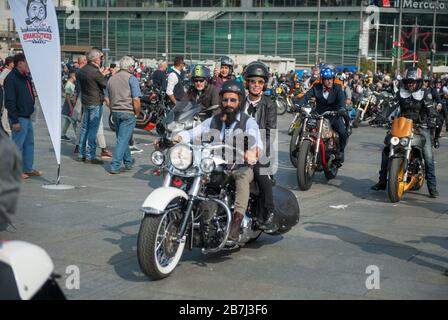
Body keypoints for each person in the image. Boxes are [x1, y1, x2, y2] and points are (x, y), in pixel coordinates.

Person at [174, 80, 263, 245]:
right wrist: (178, 137)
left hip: (239, 165)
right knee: (193, 175)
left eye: (233, 100)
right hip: (215, 165)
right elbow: (194, 132)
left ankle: (236, 222)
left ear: (240, 101)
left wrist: (252, 151)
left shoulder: (247, 121)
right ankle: (198, 220)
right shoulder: (213, 120)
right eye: (225, 100)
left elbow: (256, 141)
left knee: (242, 179)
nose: (228, 104)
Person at [371, 67, 439, 198]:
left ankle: (432, 186)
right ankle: (382, 181)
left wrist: (432, 119)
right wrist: (381, 117)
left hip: (420, 127)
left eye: (413, 82)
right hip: (402, 126)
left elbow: (431, 109)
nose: (410, 84)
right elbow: (390, 106)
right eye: (408, 82)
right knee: (386, 150)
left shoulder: (425, 94)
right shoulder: (401, 93)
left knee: (428, 156)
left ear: (419, 82)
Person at [243, 61, 278, 232]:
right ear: (247, 82)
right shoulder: (240, 101)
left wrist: (258, 151)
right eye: (253, 81)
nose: (256, 85)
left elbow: (270, 132)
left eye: (260, 82)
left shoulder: (269, 104)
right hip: (238, 146)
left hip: (261, 148)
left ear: (264, 84)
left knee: (260, 170)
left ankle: (269, 212)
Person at [295, 65, 349, 165]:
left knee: (342, 132)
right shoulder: (316, 87)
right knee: (305, 124)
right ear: (322, 80)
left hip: (334, 115)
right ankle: (299, 146)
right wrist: (298, 104)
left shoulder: (337, 88)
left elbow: (342, 101)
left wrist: (341, 109)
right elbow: (306, 96)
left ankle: (340, 152)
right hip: (319, 115)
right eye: (326, 79)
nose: (329, 82)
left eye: (331, 79)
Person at [4, 53, 42, 179]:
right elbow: (9, 101)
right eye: (27, 63)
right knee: (17, 145)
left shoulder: (24, 77)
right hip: (18, 117)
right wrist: (14, 120)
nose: (29, 65)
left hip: (26, 116)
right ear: (20, 64)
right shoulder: (11, 79)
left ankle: (27, 168)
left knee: (29, 143)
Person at [104, 56, 142, 174]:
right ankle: (115, 165)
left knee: (122, 137)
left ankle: (128, 162)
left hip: (115, 112)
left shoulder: (112, 78)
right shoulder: (132, 78)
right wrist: (137, 112)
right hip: (128, 112)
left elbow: (106, 98)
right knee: (122, 139)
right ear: (130, 67)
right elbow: (136, 99)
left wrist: (112, 108)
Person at [77, 48, 108, 164]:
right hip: (95, 102)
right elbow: (105, 84)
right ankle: (91, 155)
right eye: (100, 58)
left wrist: (101, 74)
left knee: (85, 127)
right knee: (92, 129)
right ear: (95, 59)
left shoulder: (82, 70)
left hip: (86, 101)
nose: (101, 60)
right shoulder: (95, 72)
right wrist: (104, 75)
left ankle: (81, 153)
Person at [61, 69, 77, 141]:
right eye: (75, 75)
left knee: (68, 121)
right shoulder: (69, 84)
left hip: (70, 105)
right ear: (72, 75)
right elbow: (67, 97)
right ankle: (79, 138)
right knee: (74, 121)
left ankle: (62, 134)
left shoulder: (71, 83)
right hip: (69, 105)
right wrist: (71, 107)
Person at [0, 56, 14, 135]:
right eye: (13, 62)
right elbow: (1, 81)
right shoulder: (6, 71)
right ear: (9, 63)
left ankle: (7, 129)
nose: (14, 64)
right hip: (7, 96)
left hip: (9, 96)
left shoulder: (10, 71)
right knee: (6, 113)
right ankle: (6, 129)